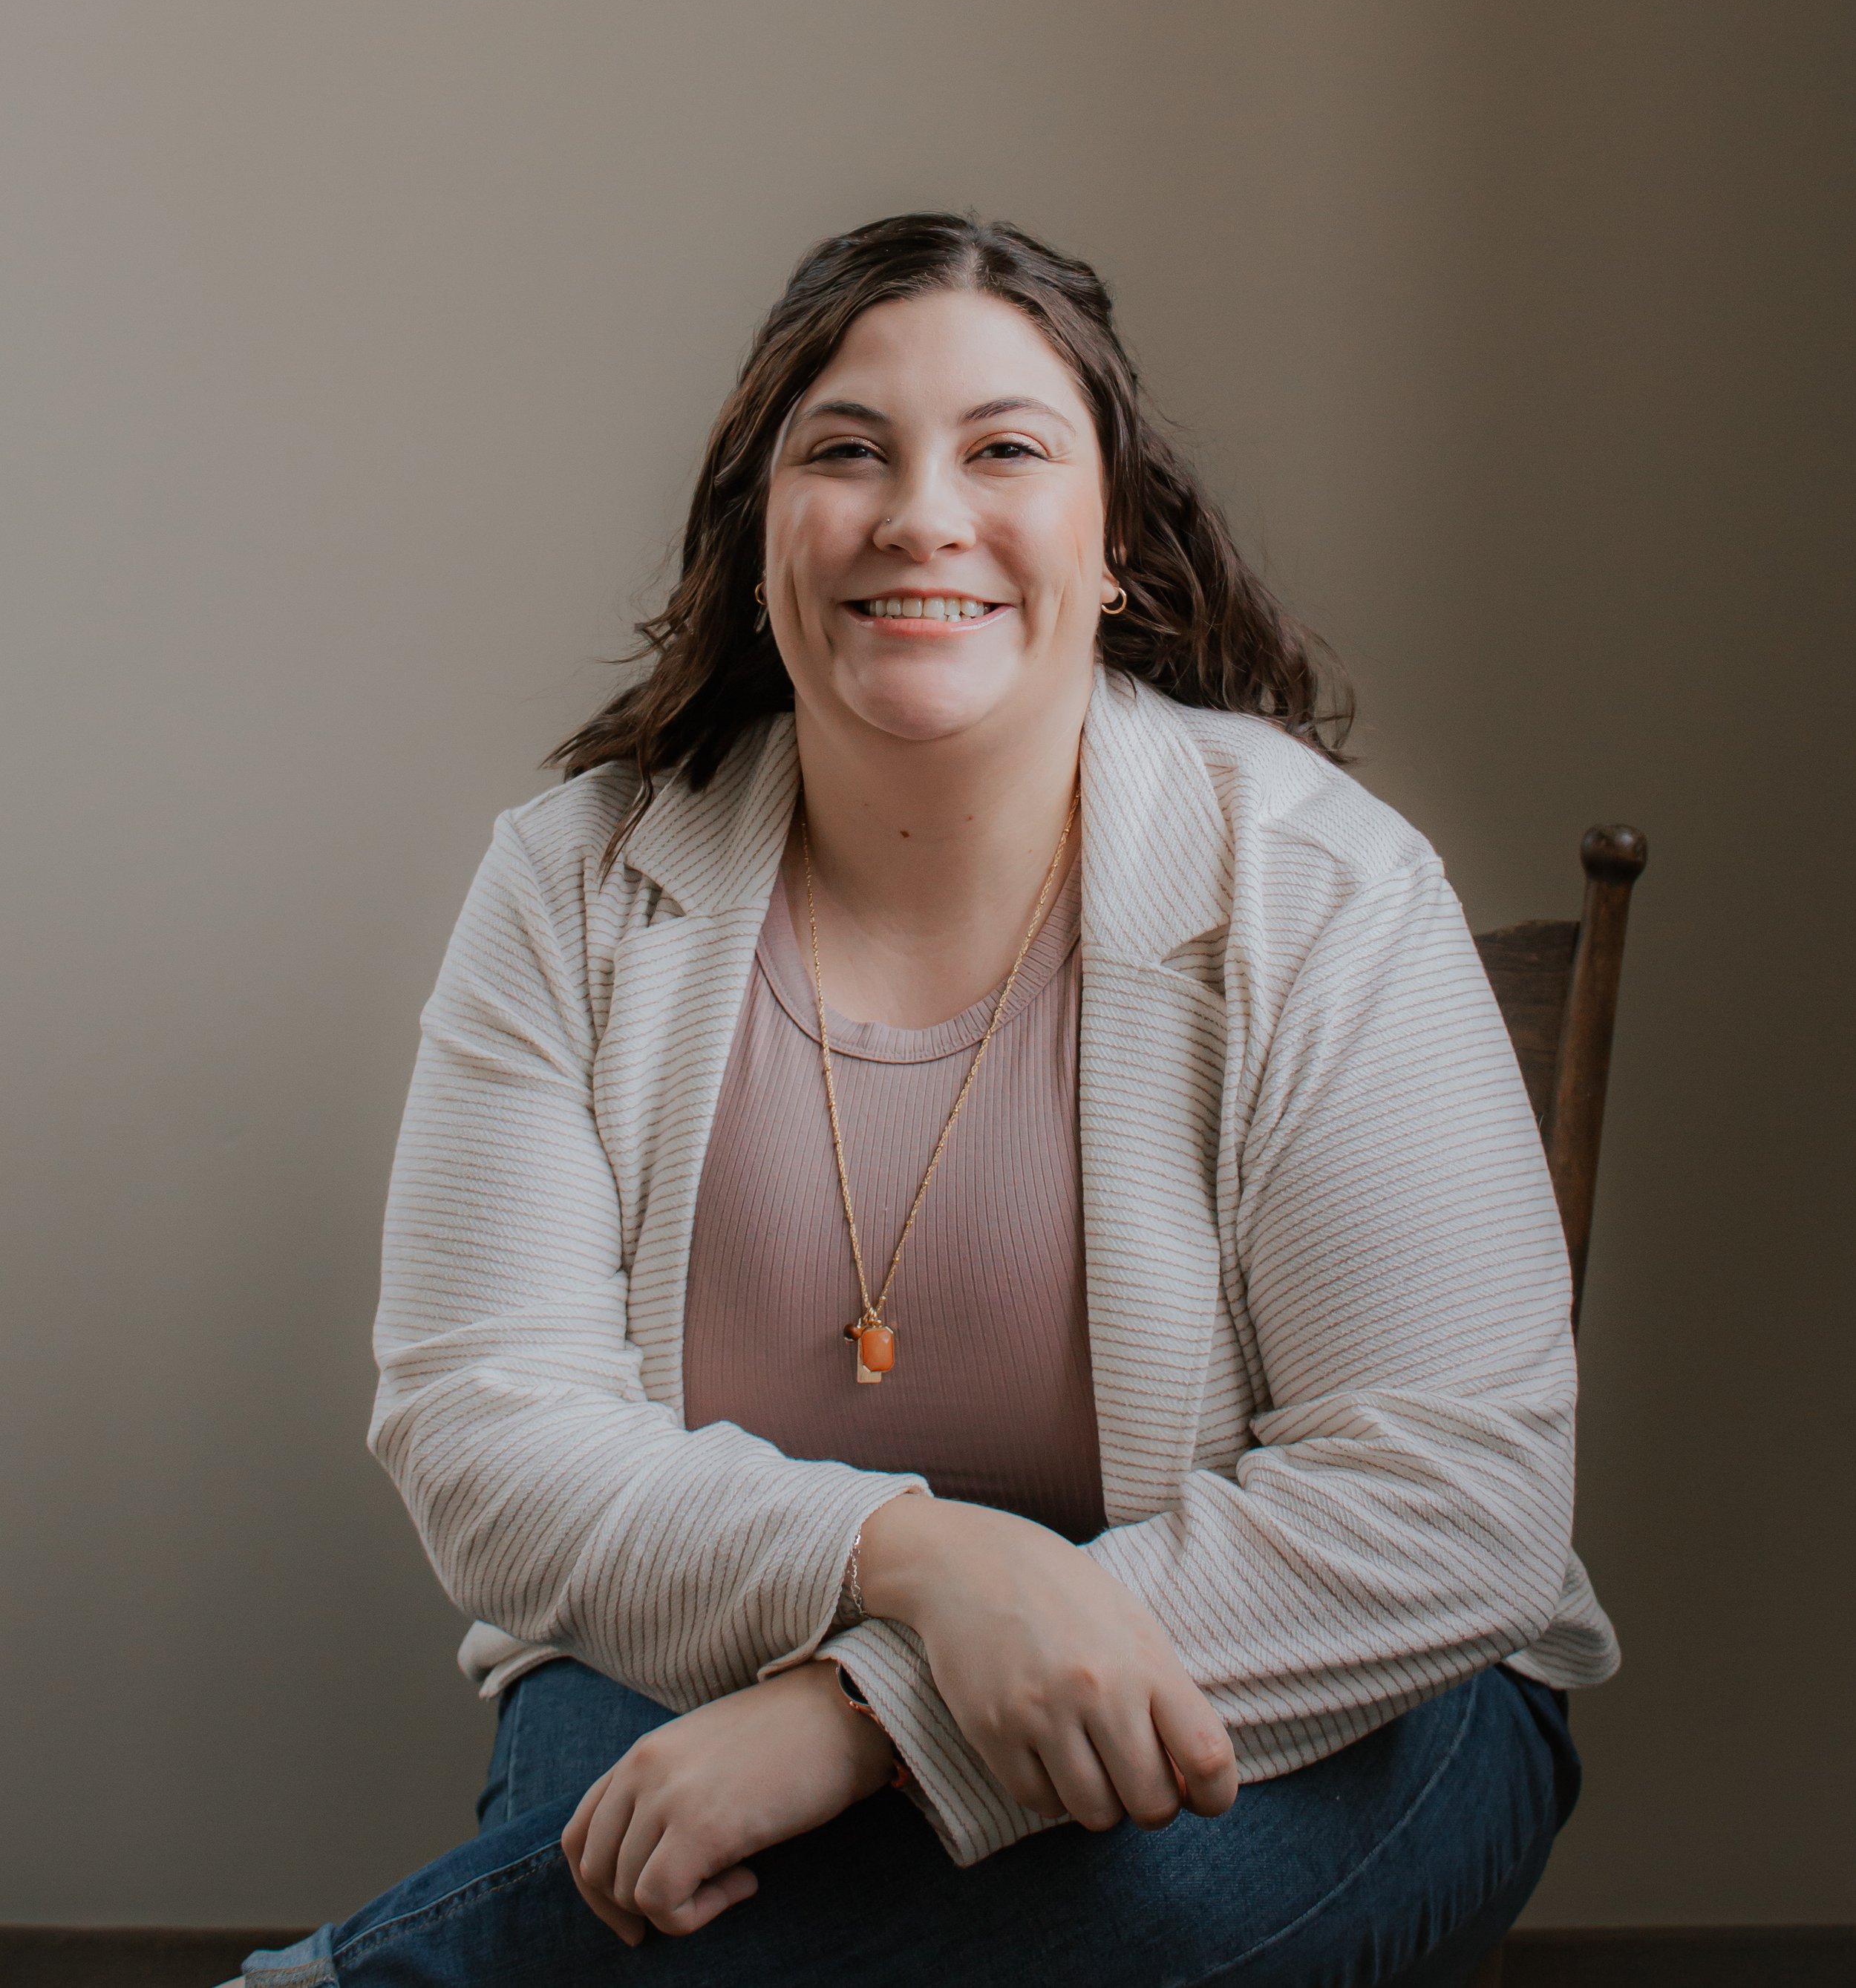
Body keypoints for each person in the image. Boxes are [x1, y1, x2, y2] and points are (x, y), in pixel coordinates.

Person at [238, 214, 1612, 1987]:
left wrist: (862, 1719)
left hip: (1306, 1675)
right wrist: (915, 1565)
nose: (919, 514)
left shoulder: (1317, 886)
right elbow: (480, 1427)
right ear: (757, 542)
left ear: (1111, 541)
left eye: (1006, 449)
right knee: (668, 1890)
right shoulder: (570, 887)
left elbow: (1452, 1497)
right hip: (694, 1649)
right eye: (845, 451)